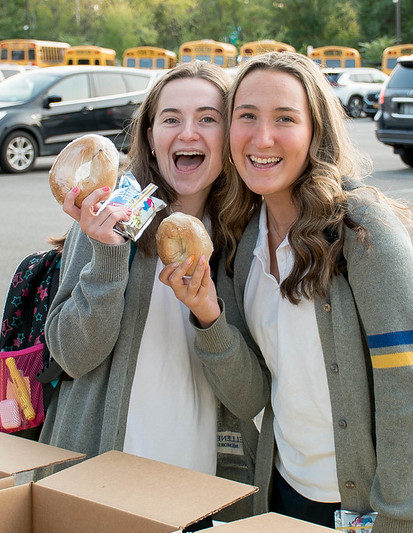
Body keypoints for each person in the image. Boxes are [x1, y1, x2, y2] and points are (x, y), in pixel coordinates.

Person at [165, 52, 413, 533]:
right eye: (247, 116)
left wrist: (400, 518)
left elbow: (409, 391)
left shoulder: (361, 230)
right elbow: (250, 396)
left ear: (315, 131)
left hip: (375, 507)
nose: (262, 138)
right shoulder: (242, 241)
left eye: (285, 118)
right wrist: (208, 316)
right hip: (285, 496)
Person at [39, 61, 257, 493]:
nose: (188, 133)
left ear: (231, 136)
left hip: (196, 482)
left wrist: (209, 316)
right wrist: (108, 257)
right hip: (99, 474)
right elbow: (72, 356)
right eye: (171, 119)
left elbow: (248, 398)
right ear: (151, 138)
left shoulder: (243, 237)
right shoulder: (109, 216)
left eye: (208, 119)